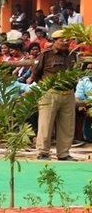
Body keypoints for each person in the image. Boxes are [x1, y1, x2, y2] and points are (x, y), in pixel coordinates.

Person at [32, 29, 78, 161]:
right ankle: (43, 152)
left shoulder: (73, 55)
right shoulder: (46, 55)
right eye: (61, 39)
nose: (65, 42)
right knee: (45, 124)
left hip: (68, 93)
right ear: (54, 41)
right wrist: (45, 88)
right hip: (50, 93)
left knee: (67, 126)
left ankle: (63, 153)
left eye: (68, 39)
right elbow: (36, 74)